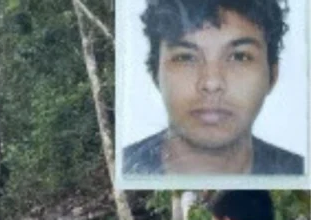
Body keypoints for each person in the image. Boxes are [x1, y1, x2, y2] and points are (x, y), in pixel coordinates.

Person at [123, 0, 305, 175]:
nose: (211, 83)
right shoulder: (125, 166)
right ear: (155, 73)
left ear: (272, 75)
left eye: (239, 56)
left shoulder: (298, 171)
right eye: (186, 57)